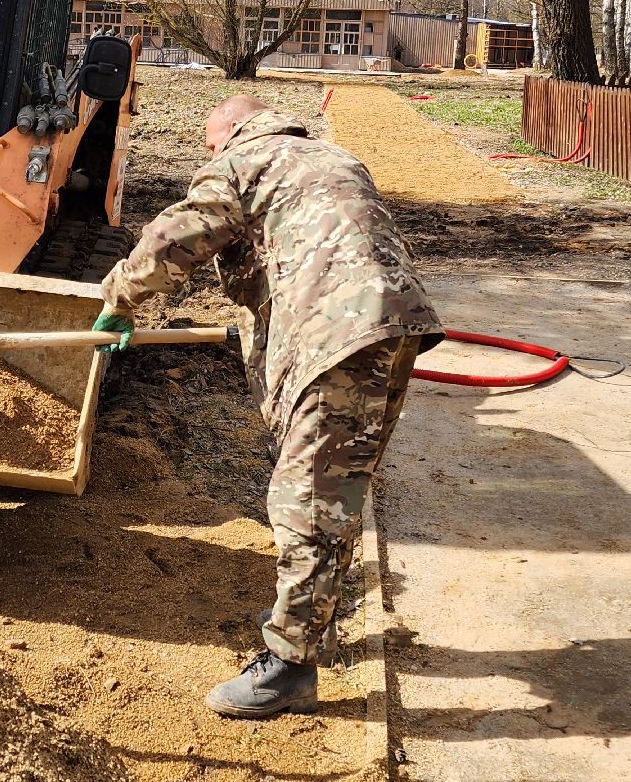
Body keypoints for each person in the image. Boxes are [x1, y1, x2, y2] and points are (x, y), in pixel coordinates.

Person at [93, 94, 443, 720]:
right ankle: (311, 623)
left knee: (305, 500)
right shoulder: (331, 157)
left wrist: (120, 296)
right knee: (336, 493)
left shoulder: (245, 161)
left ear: (230, 131)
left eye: (210, 144)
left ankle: (288, 668)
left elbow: (178, 235)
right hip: (394, 327)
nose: (208, 154)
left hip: (337, 336)